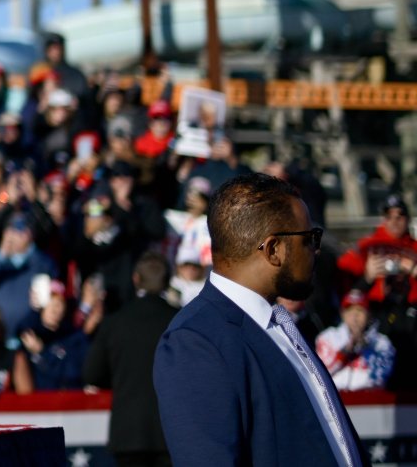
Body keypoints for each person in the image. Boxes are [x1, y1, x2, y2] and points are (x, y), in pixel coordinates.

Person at [153, 172, 364, 467]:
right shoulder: (196, 342)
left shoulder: (280, 322)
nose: (316, 251)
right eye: (309, 238)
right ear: (274, 249)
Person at [82, 253, 176, 467]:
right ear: (168, 280)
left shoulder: (114, 323)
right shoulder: (180, 321)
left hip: (128, 434)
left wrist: (120, 380)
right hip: (171, 432)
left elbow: (92, 374)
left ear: (135, 279)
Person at [315, 289, 396, 390]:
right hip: (336, 398)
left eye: (360, 310)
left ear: (368, 315)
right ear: (342, 314)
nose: (354, 316)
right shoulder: (328, 338)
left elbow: (380, 379)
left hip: (368, 400)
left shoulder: (381, 343)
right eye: (350, 310)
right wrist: (345, 352)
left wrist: (367, 348)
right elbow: (319, 375)